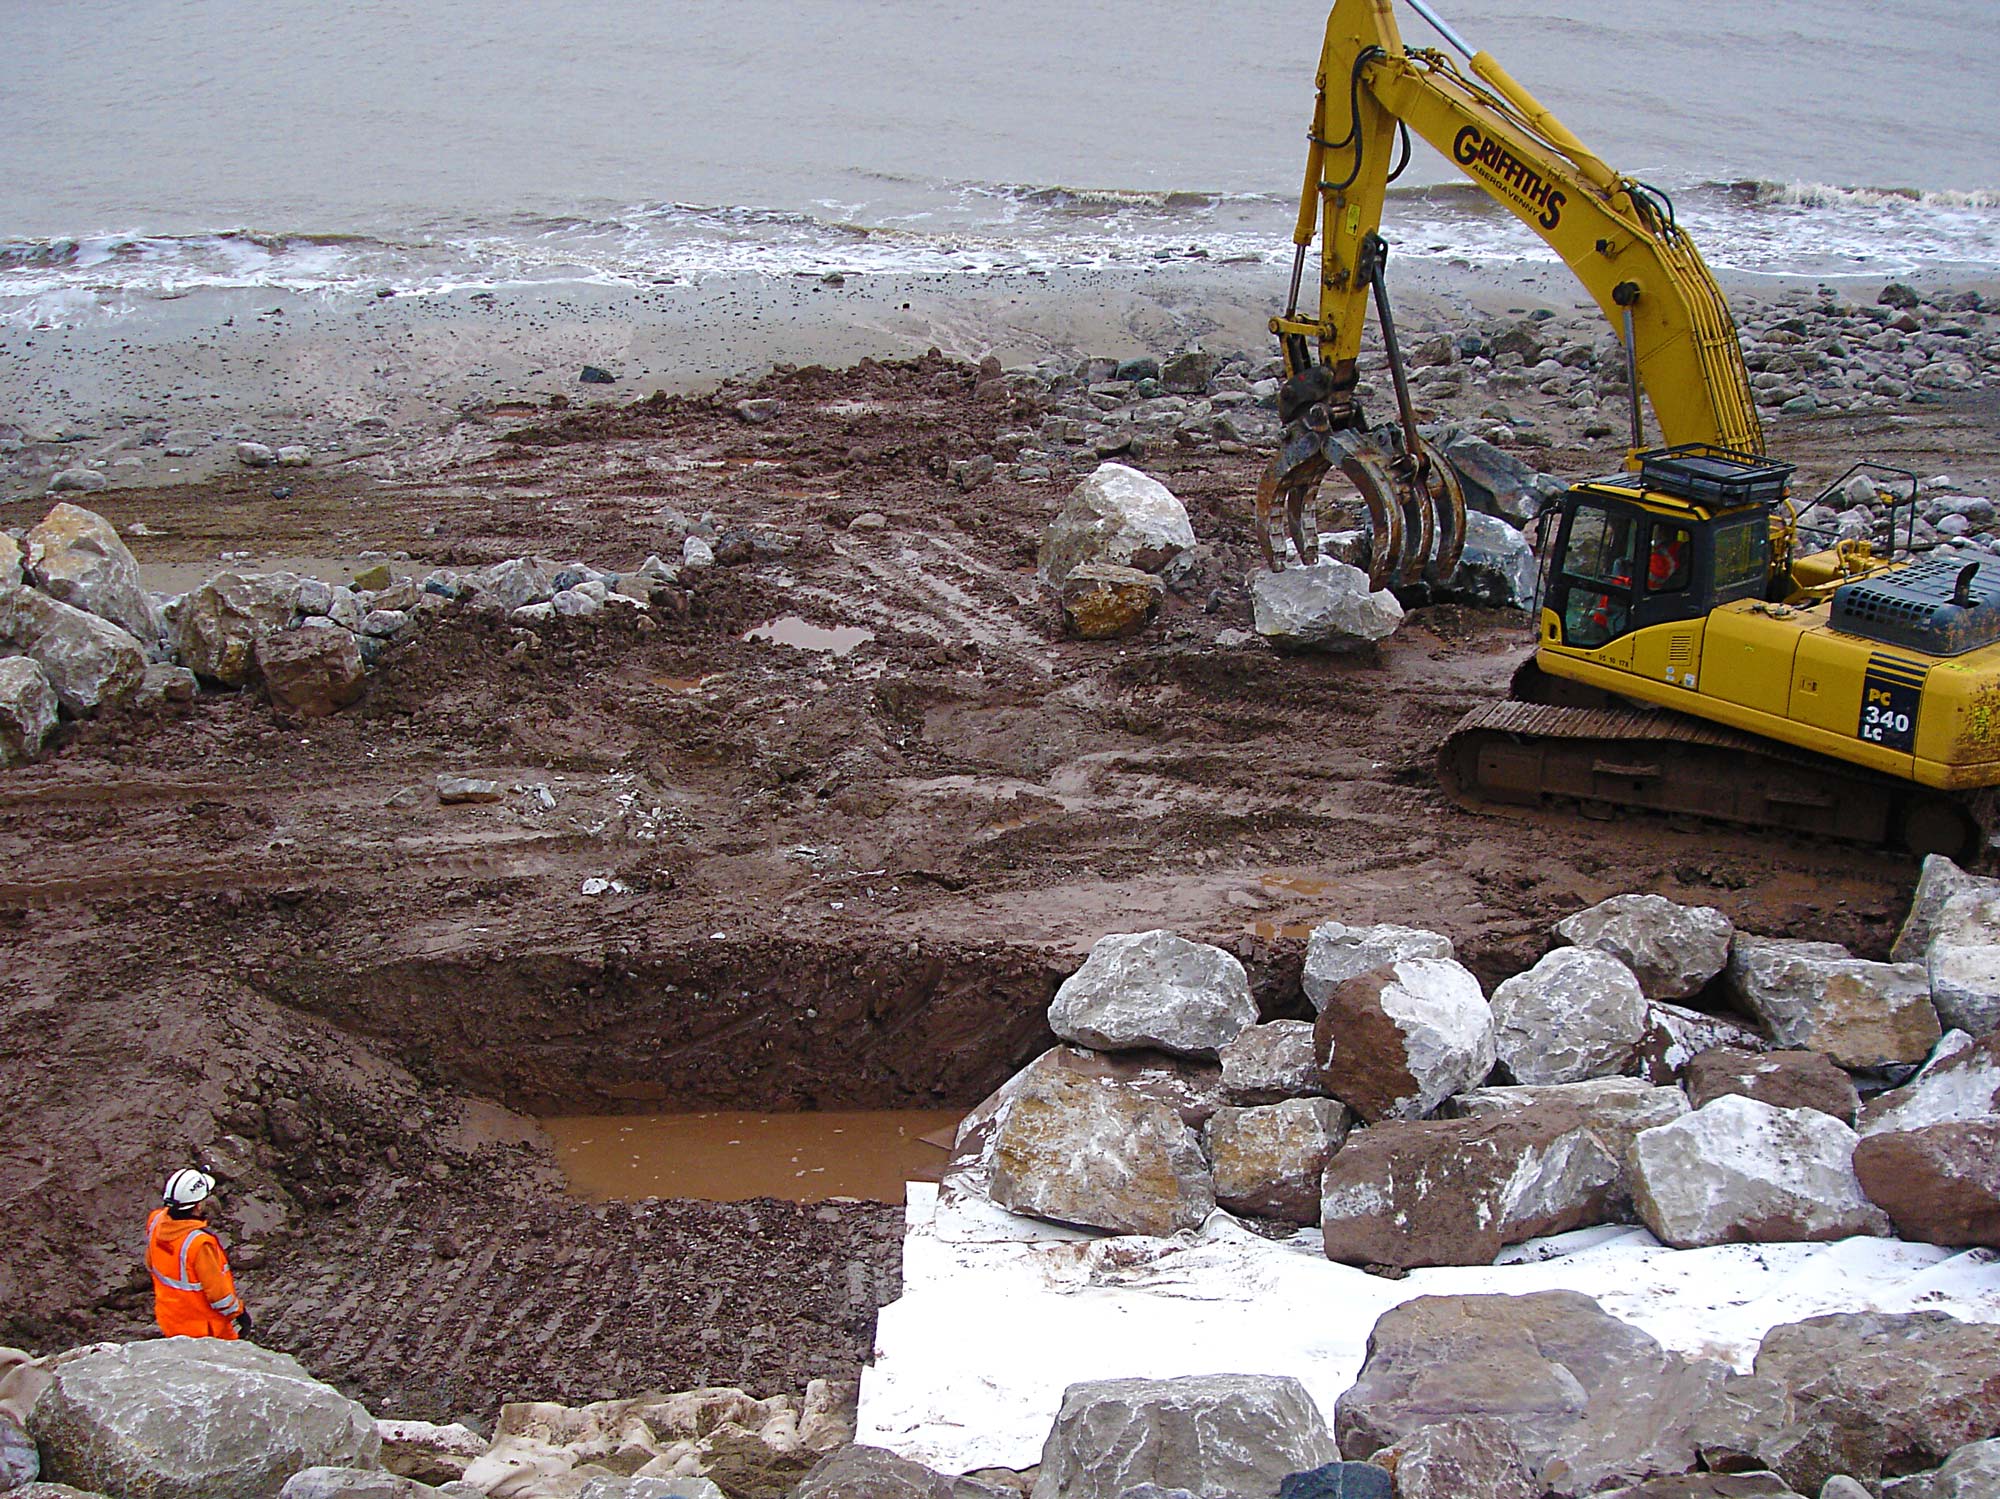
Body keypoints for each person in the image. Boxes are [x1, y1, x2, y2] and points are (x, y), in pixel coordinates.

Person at [145, 1169, 251, 1340]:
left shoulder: (156, 1221)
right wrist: (239, 1312)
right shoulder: (199, 1243)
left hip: (170, 1320)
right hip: (205, 1331)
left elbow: (150, 1263)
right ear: (198, 1205)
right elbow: (219, 1297)